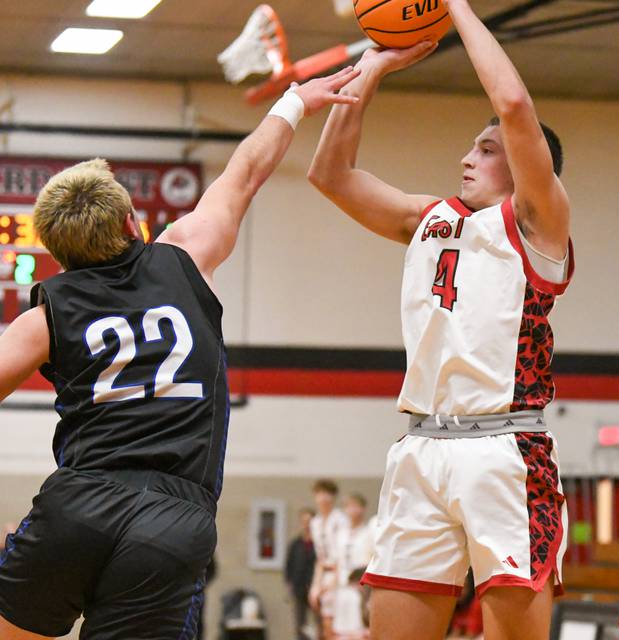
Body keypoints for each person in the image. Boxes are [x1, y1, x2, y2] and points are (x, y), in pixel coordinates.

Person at [0, 67, 361, 640]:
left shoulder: (47, 312)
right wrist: (294, 101)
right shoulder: (184, 256)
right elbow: (244, 172)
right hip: (172, 519)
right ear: (131, 222)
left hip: (79, 500)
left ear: (59, 254)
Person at [308, 0, 573, 637]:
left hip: (505, 449)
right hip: (421, 448)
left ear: (523, 163)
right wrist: (371, 72)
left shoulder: (538, 222)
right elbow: (329, 174)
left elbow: (513, 107)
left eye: (485, 150)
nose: (467, 157)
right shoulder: (432, 218)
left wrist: (454, 6)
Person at [309, 479, 348, 640]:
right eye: (320, 494)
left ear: (333, 497)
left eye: (327, 494)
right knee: (323, 623)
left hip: (340, 574)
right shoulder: (315, 522)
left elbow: (342, 554)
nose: (323, 498)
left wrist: (335, 582)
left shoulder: (340, 519)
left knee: (336, 624)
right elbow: (319, 558)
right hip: (324, 573)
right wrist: (315, 585)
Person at [332, 494, 375, 639]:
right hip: (342, 586)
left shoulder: (369, 532)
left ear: (363, 509)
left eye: (356, 506)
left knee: (359, 629)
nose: (353, 510)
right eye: (349, 506)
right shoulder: (340, 534)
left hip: (360, 587)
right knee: (340, 630)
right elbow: (336, 561)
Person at [285, 508, 318, 640]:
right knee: (300, 623)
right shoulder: (295, 544)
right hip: (299, 588)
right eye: (304, 521)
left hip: (315, 588)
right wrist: (290, 584)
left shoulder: (318, 543)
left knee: (318, 622)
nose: (307, 524)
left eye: (310, 521)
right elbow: (289, 566)